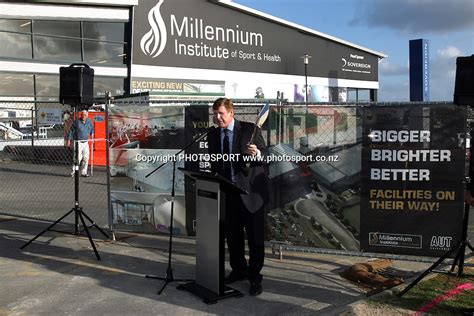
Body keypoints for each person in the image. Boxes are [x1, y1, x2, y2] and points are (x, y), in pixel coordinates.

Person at [207, 98, 269, 296]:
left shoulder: (250, 129)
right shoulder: (213, 135)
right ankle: (239, 270)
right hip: (229, 195)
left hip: (251, 196)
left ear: (231, 113)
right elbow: (216, 163)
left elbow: (267, 156)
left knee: (255, 239)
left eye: (221, 113)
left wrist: (257, 153)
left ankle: (255, 277)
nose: (217, 118)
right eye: (215, 113)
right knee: (233, 238)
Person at [67, 110, 94, 177]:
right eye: (82, 115)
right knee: (77, 158)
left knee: (86, 157)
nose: (83, 116)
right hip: (78, 142)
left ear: (87, 116)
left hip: (85, 142)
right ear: (80, 115)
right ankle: (73, 172)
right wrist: (69, 140)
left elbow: (91, 130)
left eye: (85, 115)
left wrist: (92, 138)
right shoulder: (76, 122)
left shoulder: (89, 121)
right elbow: (71, 131)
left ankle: (84, 172)